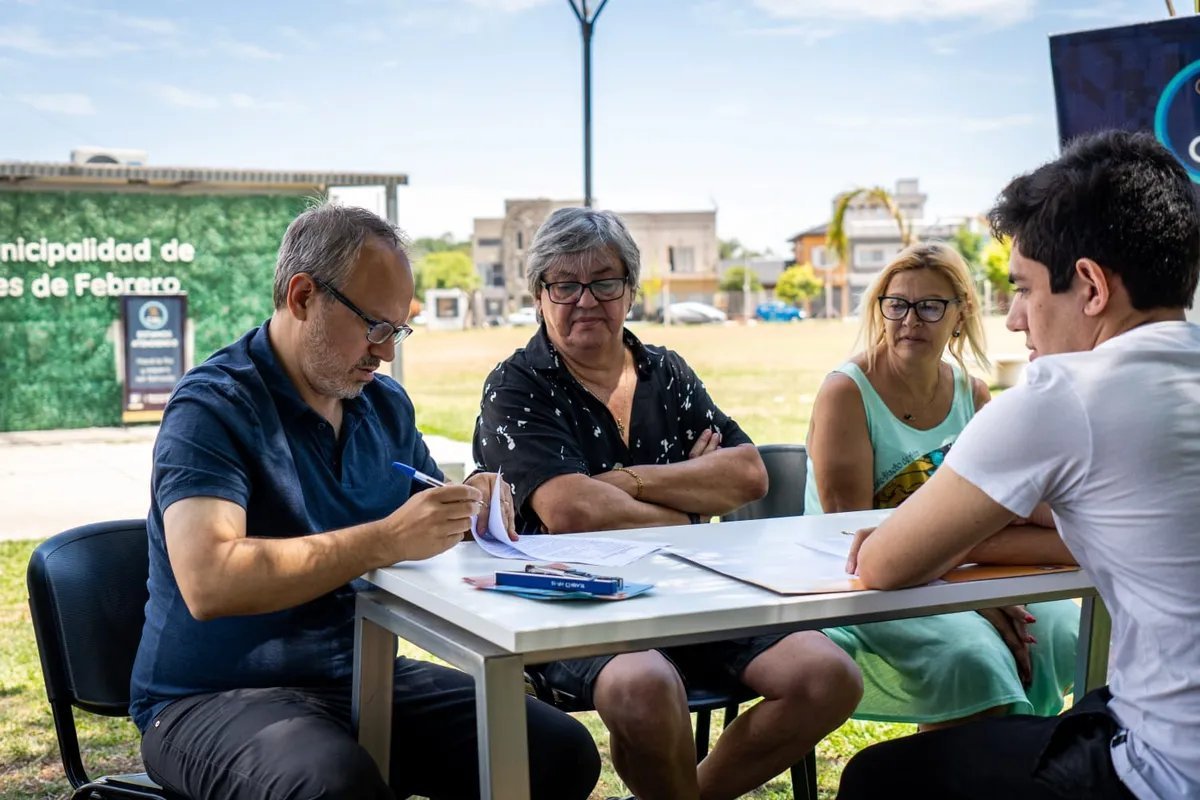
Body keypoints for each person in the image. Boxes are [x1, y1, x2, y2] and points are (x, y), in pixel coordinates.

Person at [129, 203, 600, 800]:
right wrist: (383, 540)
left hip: (360, 679)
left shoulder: (382, 405)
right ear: (303, 297)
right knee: (334, 786)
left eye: (398, 330)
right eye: (375, 327)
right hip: (209, 696)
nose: (386, 352)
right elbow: (210, 579)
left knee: (555, 753)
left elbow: (435, 515)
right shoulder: (214, 407)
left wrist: (474, 500)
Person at [837, 130, 1200, 800]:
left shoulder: (1067, 396)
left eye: (1025, 289)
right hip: (1151, 729)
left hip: (1165, 772)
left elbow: (884, 562)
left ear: (1090, 286)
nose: (1013, 320)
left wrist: (949, 537)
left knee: (875, 780)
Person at [473, 207, 863, 800]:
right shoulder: (519, 383)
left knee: (827, 677)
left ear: (629, 291)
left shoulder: (667, 372)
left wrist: (625, 481)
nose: (586, 300)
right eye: (565, 284)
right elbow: (572, 511)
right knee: (646, 687)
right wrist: (687, 504)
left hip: (695, 590)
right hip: (572, 604)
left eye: (604, 282)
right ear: (539, 295)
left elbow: (748, 473)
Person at [805, 241, 1078, 728]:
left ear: (960, 313)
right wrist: (979, 604)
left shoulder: (972, 393)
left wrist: (980, 592)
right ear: (880, 310)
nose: (910, 320)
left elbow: (1004, 507)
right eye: (897, 304)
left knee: (1059, 630)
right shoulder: (847, 391)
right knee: (975, 657)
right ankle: (945, 772)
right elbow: (851, 530)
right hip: (862, 580)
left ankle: (1019, 765)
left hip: (959, 564)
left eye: (930, 307)